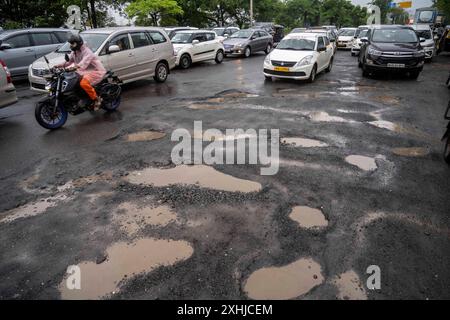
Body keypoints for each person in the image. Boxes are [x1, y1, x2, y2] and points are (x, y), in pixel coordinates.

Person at [57, 34, 106, 110]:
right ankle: (83, 98)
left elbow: (83, 63)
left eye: (73, 43)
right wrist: (57, 66)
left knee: (83, 83)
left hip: (96, 71)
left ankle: (97, 99)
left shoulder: (87, 52)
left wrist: (73, 68)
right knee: (74, 83)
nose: (71, 46)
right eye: (70, 44)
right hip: (84, 72)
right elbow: (68, 62)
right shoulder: (75, 52)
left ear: (78, 43)